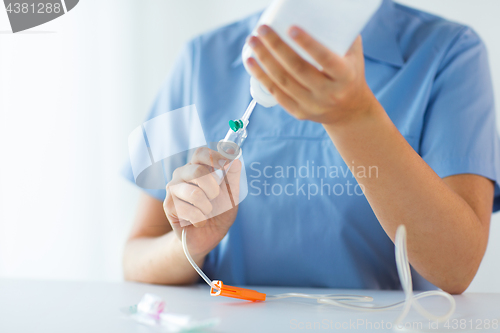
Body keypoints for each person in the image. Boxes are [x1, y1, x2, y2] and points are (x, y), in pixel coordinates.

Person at [122, 0, 500, 294]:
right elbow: (135, 257)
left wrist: (355, 117)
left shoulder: (451, 53)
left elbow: (457, 267)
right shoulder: (201, 57)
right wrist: (190, 246)